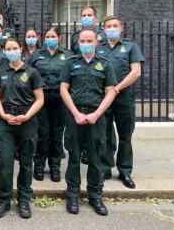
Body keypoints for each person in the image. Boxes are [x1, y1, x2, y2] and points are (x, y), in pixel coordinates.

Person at [60, 28, 117, 216]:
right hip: (75, 116)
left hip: (96, 118)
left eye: (89, 40)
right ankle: (73, 195)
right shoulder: (70, 63)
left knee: (95, 159)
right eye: (82, 40)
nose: (85, 43)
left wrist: (97, 114)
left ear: (96, 42)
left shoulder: (105, 65)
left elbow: (110, 91)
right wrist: (75, 113)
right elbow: (64, 89)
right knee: (74, 157)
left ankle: (95, 196)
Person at [0, 38, 44, 219]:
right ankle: (3, 200)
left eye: (15, 48)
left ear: (20, 49)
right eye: (8, 48)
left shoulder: (32, 72)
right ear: (4, 51)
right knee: (5, 162)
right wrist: (3, 114)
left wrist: (27, 116)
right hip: (5, 121)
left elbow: (40, 99)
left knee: (26, 162)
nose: (12, 51)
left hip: (27, 121)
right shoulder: (0, 72)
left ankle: (23, 199)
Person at [98, 16, 144, 189]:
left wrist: (116, 89)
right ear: (103, 29)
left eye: (115, 26)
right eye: (108, 26)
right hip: (103, 97)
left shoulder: (131, 46)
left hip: (123, 96)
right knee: (105, 133)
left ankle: (125, 170)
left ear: (121, 28)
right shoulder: (99, 47)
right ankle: (105, 167)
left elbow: (136, 72)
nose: (112, 28)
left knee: (125, 134)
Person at [29, 27, 73, 182]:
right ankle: (39, 166)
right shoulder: (36, 55)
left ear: (59, 38)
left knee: (56, 135)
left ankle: (55, 167)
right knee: (42, 134)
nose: (50, 38)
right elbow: (29, 76)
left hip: (60, 99)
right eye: (47, 36)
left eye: (53, 36)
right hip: (42, 99)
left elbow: (71, 78)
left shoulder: (67, 55)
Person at [70, 6, 107, 165]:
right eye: (83, 15)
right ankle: (82, 151)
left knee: (102, 133)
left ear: (95, 18)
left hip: (98, 83)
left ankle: (105, 162)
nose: (86, 17)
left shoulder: (103, 36)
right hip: (79, 80)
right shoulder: (74, 37)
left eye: (89, 15)